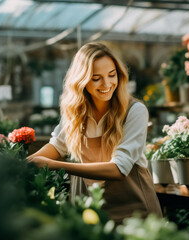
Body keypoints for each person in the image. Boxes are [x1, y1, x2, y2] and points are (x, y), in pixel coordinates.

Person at [27, 42, 162, 223]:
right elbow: (57, 145)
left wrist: (53, 165)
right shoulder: (75, 114)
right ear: (81, 81)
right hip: (92, 211)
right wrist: (23, 165)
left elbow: (119, 168)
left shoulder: (134, 111)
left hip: (135, 211)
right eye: (96, 78)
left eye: (112, 75)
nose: (107, 84)